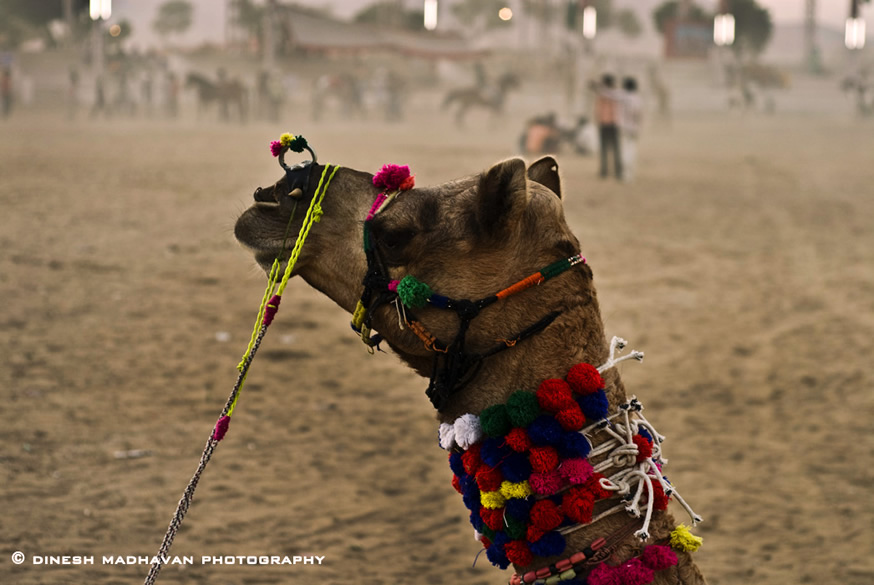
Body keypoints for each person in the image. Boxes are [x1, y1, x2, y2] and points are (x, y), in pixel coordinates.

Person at [592, 74, 623, 180]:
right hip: (609, 124)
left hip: (609, 124)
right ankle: (610, 171)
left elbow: (606, 92)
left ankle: (611, 171)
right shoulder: (610, 93)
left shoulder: (612, 93)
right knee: (610, 149)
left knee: (610, 149)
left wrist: (601, 86)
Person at [620, 77, 642, 182]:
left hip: (624, 127)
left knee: (625, 150)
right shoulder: (637, 99)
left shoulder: (623, 97)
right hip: (633, 127)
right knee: (632, 150)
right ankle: (630, 174)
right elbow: (638, 114)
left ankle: (625, 173)